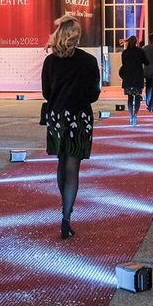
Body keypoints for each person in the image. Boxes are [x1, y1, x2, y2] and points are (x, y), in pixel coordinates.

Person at [41, 15, 100, 240]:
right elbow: (94, 93)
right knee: (73, 167)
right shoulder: (88, 60)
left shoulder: (50, 61)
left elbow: (46, 93)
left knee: (61, 162)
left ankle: (64, 205)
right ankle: (67, 216)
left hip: (56, 116)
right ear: (76, 35)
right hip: (80, 116)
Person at [118, 35, 145, 126]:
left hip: (128, 77)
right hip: (138, 77)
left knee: (130, 97)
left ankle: (130, 116)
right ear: (136, 42)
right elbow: (146, 62)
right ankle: (135, 115)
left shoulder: (125, 52)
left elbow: (123, 64)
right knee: (137, 97)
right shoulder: (140, 51)